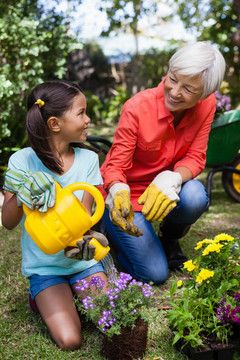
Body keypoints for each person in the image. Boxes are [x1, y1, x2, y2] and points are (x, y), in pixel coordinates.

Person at [99, 41, 226, 284]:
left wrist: (173, 178)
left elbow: (196, 156)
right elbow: (115, 165)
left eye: (189, 89)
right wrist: (117, 189)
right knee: (155, 275)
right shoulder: (137, 107)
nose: (175, 91)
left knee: (196, 195)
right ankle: (115, 236)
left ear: (205, 94)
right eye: (173, 78)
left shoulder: (207, 106)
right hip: (128, 194)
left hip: (168, 189)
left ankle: (168, 240)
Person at [1, 80, 109, 350]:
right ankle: (43, 295)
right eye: (81, 113)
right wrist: (21, 195)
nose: (88, 119)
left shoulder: (88, 160)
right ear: (54, 124)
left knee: (112, 321)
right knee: (70, 340)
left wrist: (89, 243)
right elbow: (8, 222)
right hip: (45, 269)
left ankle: (73, 292)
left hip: (81, 264)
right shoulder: (21, 161)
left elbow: (83, 220)